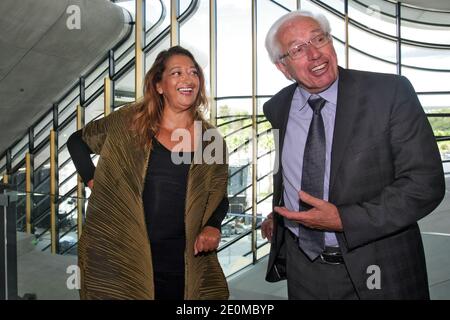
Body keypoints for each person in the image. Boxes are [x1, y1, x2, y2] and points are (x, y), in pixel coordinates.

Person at [260, 10, 445, 299]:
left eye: (318, 39)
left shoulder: (390, 93)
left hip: (379, 267)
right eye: (297, 49)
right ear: (283, 67)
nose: (314, 54)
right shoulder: (277, 108)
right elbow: (292, 169)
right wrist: (280, 212)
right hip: (304, 272)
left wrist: (345, 220)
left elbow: (425, 184)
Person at [67, 46, 229, 300]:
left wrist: (212, 226)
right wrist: (93, 180)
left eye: (193, 73)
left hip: (183, 260)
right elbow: (77, 142)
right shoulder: (128, 122)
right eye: (176, 73)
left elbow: (218, 195)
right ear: (159, 85)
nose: (188, 79)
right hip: (123, 254)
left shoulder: (211, 139)